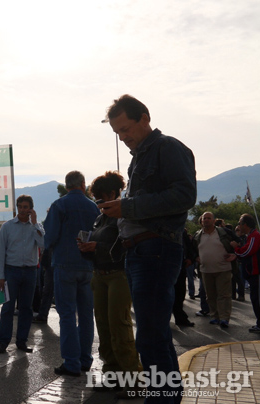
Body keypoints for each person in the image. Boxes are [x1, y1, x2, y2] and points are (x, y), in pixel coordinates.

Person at [99, 94, 196, 403]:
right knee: (155, 335)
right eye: (118, 133)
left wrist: (128, 206)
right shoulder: (140, 155)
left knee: (151, 337)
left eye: (126, 129)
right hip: (141, 251)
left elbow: (183, 196)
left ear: (145, 118)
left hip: (155, 249)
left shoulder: (167, 147)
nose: (124, 138)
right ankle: (167, 397)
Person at [78, 171, 141, 396]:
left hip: (119, 275)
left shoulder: (124, 217)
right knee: (104, 327)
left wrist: (98, 247)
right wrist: (86, 248)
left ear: (113, 193)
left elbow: (127, 245)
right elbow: (98, 249)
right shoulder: (100, 218)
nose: (98, 201)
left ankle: (134, 380)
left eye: (101, 197)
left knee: (119, 326)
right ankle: (112, 375)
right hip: (99, 274)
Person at [44, 171, 99, 375]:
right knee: (86, 315)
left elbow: (49, 237)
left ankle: (71, 363)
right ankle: (86, 359)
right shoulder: (93, 206)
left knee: (67, 314)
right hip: (88, 266)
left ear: (67, 186)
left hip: (65, 264)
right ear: (83, 185)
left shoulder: (60, 205)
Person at [0, 195, 45, 354]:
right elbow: (0, 251)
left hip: (30, 272)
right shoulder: (7, 227)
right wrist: (0, 276)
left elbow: (43, 244)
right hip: (11, 272)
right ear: (17, 208)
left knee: (26, 308)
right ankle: (3, 342)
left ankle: (22, 341)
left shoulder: (37, 227)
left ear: (31, 209)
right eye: (20, 207)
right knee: (7, 307)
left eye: (26, 207)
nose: (23, 210)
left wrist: (35, 223)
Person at [192, 212, 236, 328]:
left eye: (208, 218)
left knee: (224, 295)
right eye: (204, 218)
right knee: (210, 296)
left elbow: (238, 242)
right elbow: (192, 250)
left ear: (213, 220)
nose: (206, 220)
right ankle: (214, 317)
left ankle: (224, 318)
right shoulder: (198, 235)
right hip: (206, 270)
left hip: (223, 269)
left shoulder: (224, 232)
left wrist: (234, 253)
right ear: (201, 221)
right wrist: (195, 257)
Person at [231, 214, 260, 333]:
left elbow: (247, 252)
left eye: (240, 223)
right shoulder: (250, 236)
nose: (239, 225)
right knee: (255, 299)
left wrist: (236, 249)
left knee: (258, 299)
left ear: (245, 224)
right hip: (253, 273)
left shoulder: (254, 235)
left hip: (257, 272)